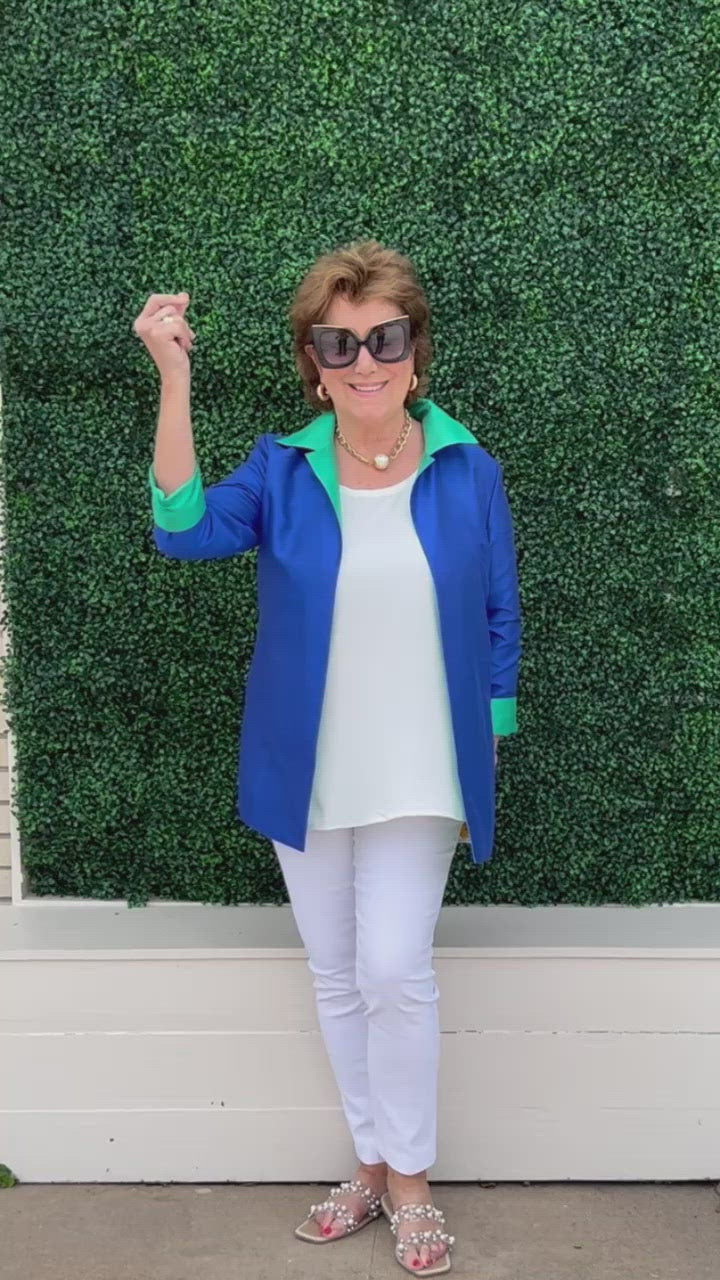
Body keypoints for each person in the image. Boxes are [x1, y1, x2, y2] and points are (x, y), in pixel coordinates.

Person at [136, 238, 523, 1276]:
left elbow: (498, 610)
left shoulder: (467, 466)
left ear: (415, 348)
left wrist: (492, 730)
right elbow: (182, 527)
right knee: (338, 973)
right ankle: (370, 1162)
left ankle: (413, 1179)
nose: (364, 360)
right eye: (338, 342)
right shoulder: (284, 467)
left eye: (384, 338)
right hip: (307, 762)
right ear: (313, 360)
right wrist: (174, 377)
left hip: (423, 764)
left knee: (395, 968)